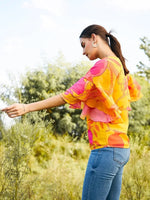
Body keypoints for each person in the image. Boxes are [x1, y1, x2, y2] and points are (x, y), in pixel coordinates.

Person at [2, 24, 142, 200]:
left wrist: (26, 107)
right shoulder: (120, 68)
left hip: (105, 149)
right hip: (121, 149)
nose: (83, 52)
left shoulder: (104, 66)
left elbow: (68, 95)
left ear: (94, 38)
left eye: (83, 45)